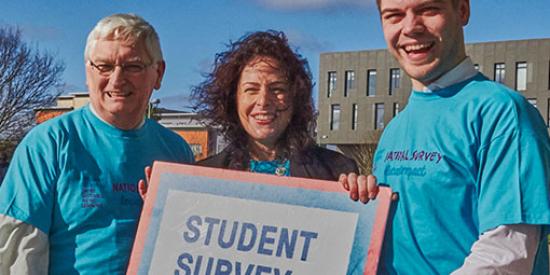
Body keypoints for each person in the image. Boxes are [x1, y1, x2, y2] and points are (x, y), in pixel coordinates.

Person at [339, 0, 550, 274]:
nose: (411, 27)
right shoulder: (394, 129)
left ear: (462, 10)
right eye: (394, 15)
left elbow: (508, 255)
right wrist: (360, 200)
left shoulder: (503, 113)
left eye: (428, 10)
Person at [0, 13, 194, 275]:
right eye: (103, 66)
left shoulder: (176, 152)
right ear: (87, 71)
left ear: (158, 73)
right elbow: (17, 255)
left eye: (133, 66)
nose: (116, 79)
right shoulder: (48, 144)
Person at [194, 30, 358, 179]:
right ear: (233, 99)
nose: (263, 101)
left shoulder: (336, 172)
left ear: (295, 97)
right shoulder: (202, 178)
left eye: (276, 89)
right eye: (251, 89)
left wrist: (363, 194)